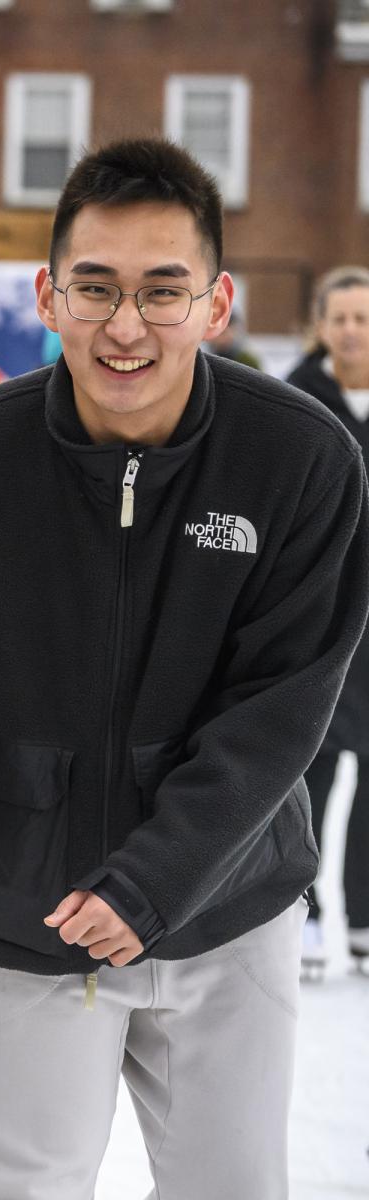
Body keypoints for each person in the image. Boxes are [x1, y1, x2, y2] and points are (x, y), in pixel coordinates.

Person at [0, 138, 369, 1199]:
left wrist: (158, 879)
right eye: (96, 287)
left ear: (216, 304)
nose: (126, 325)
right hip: (23, 909)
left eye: (163, 291)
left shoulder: (300, 459)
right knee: (16, 1185)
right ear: (47, 296)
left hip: (226, 907)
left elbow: (284, 702)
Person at [285, 265, 369, 977]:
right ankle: (303, 915)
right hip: (323, 616)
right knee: (305, 767)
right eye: (339, 318)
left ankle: (365, 920)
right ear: (320, 325)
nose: (351, 331)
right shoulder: (297, 401)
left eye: (363, 318)